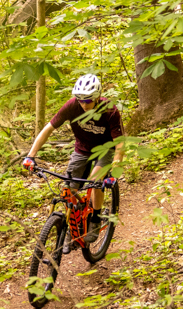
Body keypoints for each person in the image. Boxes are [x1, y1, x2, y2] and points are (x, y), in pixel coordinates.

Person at [21, 74, 124, 242]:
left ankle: (96, 218)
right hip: (82, 148)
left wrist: (114, 170)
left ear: (97, 97)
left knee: (95, 181)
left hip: (105, 149)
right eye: (80, 100)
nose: (83, 104)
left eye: (88, 100)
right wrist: (30, 156)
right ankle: (72, 223)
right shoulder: (71, 106)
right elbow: (48, 129)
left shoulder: (109, 110)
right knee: (68, 189)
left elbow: (120, 144)